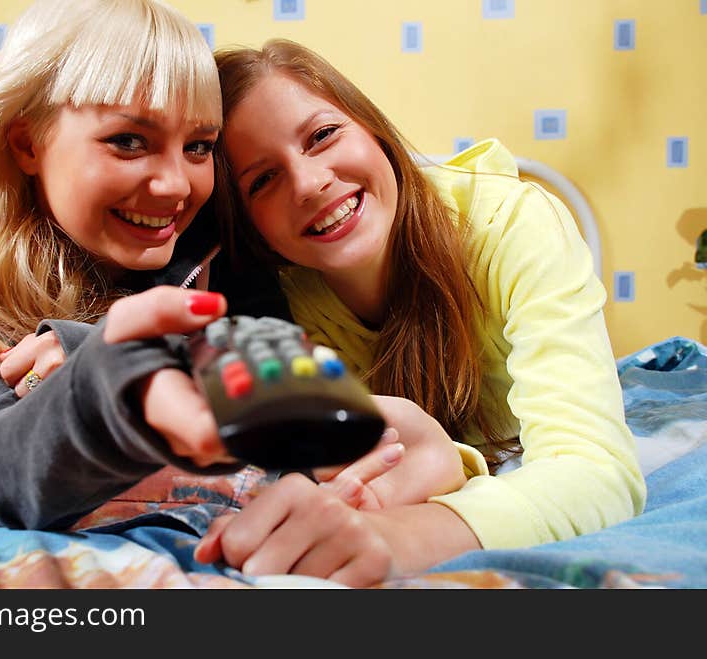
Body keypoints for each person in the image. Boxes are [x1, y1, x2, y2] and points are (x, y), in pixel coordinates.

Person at [0, 1, 465, 542]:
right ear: (27, 143)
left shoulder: (217, 250)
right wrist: (115, 378)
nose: (176, 185)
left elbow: (290, 410)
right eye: (129, 141)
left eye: (199, 146)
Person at [193, 39, 647, 584]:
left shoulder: (511, 227)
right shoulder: (282, 304)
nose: (310, 184)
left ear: (373, 129)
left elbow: (598, 473)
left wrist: (401, 537)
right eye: (263, 180)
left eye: (322, 136)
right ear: (249, 225)